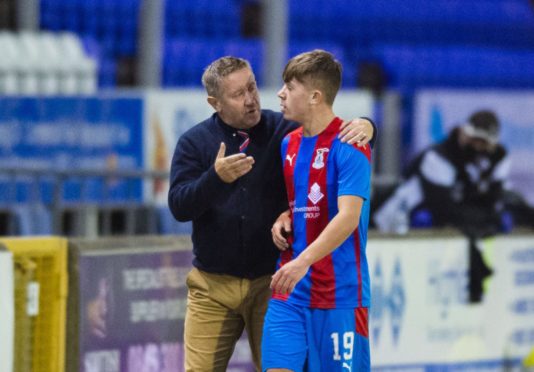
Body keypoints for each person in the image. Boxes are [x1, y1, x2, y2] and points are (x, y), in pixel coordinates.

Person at [168, 56, 376, 371]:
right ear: (215, 102)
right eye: (239, 94)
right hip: (213, 285)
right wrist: (215, 178)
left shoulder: (285, 131)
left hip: (274, 280)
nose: (252, 99)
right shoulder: (194, 143)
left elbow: (327, 126)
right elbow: (179, 206)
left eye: (252, 87)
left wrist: (367, 124)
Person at [262, 50, 372, 371]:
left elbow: (348, 217)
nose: (281, 94)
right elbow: (304, 202)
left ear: (314, 96)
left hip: (340, 295)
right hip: (290, 291)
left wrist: (303, 262)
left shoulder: (351, 143)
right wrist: (285, 217)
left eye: (290, 87)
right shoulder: (289, 144)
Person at [373, 110, 511, 237]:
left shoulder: (497, 157)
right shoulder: (439, 157)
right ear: (463, 133)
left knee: (505, 217)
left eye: (484, 143)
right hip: (402, 215)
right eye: (475, 140)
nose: (478, 147)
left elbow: (493, 199)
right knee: (424, 219)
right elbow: (443, 209)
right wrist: (484, 217)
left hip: (454, 213)